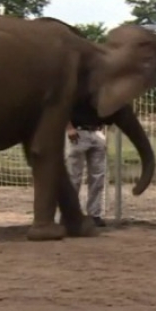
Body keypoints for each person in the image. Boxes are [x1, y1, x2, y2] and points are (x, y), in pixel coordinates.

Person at [65, 97, 108, 227]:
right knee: (73, 177)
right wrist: (69, 128)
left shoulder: (97, 91)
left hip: (97, 131)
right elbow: (62, 107)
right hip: (78, 132)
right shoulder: (74, 88)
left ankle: (94, 214)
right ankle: (69, 215)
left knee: (98, 176)